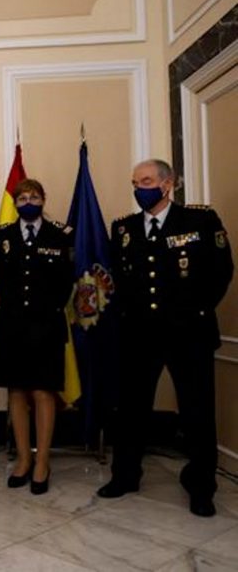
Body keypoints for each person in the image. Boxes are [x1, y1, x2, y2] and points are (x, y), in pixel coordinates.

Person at [97, 159, 233, 517]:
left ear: (167, 183)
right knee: (131, 411)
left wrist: (197, 311)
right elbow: (120, 282)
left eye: (145, 180)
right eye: (134, 182)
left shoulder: (200, 221)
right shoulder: (123, 228)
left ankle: (201, 486)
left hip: (189, 334)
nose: (139, 187)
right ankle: (125, 475)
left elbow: (221, 272)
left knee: (197, 412)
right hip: (139, 336)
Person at [0, 179, 73, 495]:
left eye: (34, 196)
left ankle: (42, 462)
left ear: (43, 199)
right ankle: (23, 460)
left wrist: (42, 312)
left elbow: (66, 283)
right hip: (12, 326)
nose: (28, 201)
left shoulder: (60, 235)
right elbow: (0, 279)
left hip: (47, 326)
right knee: (17, 393)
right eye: (22, 197)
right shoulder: (4, 237)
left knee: (43, 392)